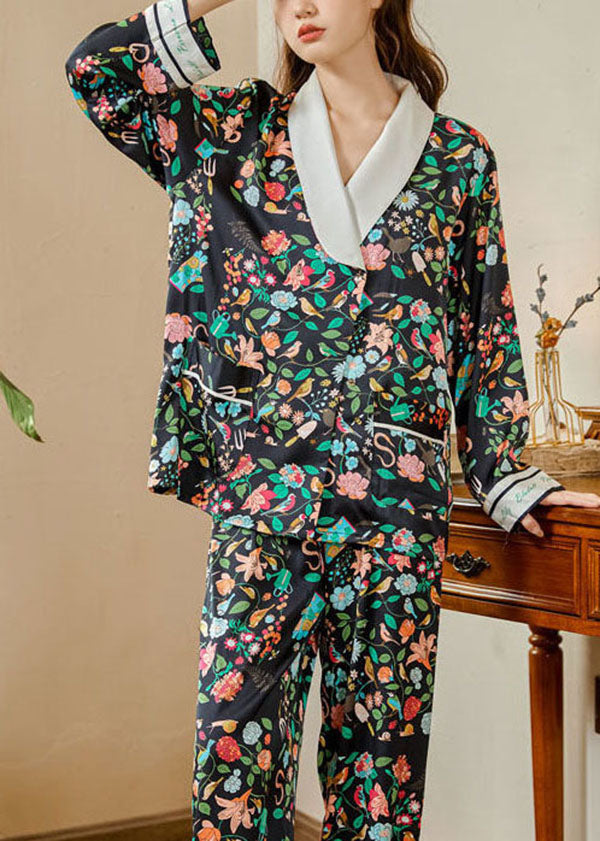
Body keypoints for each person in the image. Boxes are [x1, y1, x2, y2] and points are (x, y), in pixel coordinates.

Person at [64, 1, 600, 838]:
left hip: (395, 513)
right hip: (262, 502)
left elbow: (484, 333)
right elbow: (96, 73)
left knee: (380, 789)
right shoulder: (234, 134)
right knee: (234, 777)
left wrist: (503, 474)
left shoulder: (458, 160)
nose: (301, 5)